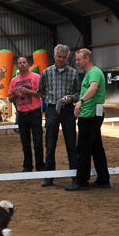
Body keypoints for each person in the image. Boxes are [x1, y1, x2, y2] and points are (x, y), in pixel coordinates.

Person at [65, 49, 110, 191]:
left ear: (87, 59)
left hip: (90, 116)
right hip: (91, 115)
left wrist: (81, 101)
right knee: (97, 148)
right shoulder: (90, 73)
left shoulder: (94, 72)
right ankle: (103, 179)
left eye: (79, 59)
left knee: (83, 149)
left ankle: (81, 181)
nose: (76, 62)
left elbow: (94, 87)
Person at [38, 44, 80, 186]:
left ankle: (75, 175)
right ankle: (49, 176)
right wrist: (49, 99)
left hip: (68, 110)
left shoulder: (73, 73)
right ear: (54, 56)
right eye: (59, 56)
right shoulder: (46, 72)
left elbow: (78, 92)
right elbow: (40, 91)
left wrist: (72, 99)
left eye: (64, 57)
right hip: (52, 110)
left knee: (71, 144)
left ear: (68, 57)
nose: (61, 59)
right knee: (50, 144)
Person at [8, 55, 43, 173]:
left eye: (24, 62)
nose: (22, 64)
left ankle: (40, 166)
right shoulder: (14, 80)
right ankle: (27, 166)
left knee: (38, 141)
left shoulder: (36, 77)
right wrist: (14, 95)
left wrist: (28, 91)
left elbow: (41, 93)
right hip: (22, 114)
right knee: (25, 142)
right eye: (20, 63)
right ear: (17, 66)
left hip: (35, 112)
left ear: (28, 64)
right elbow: (10, 99)